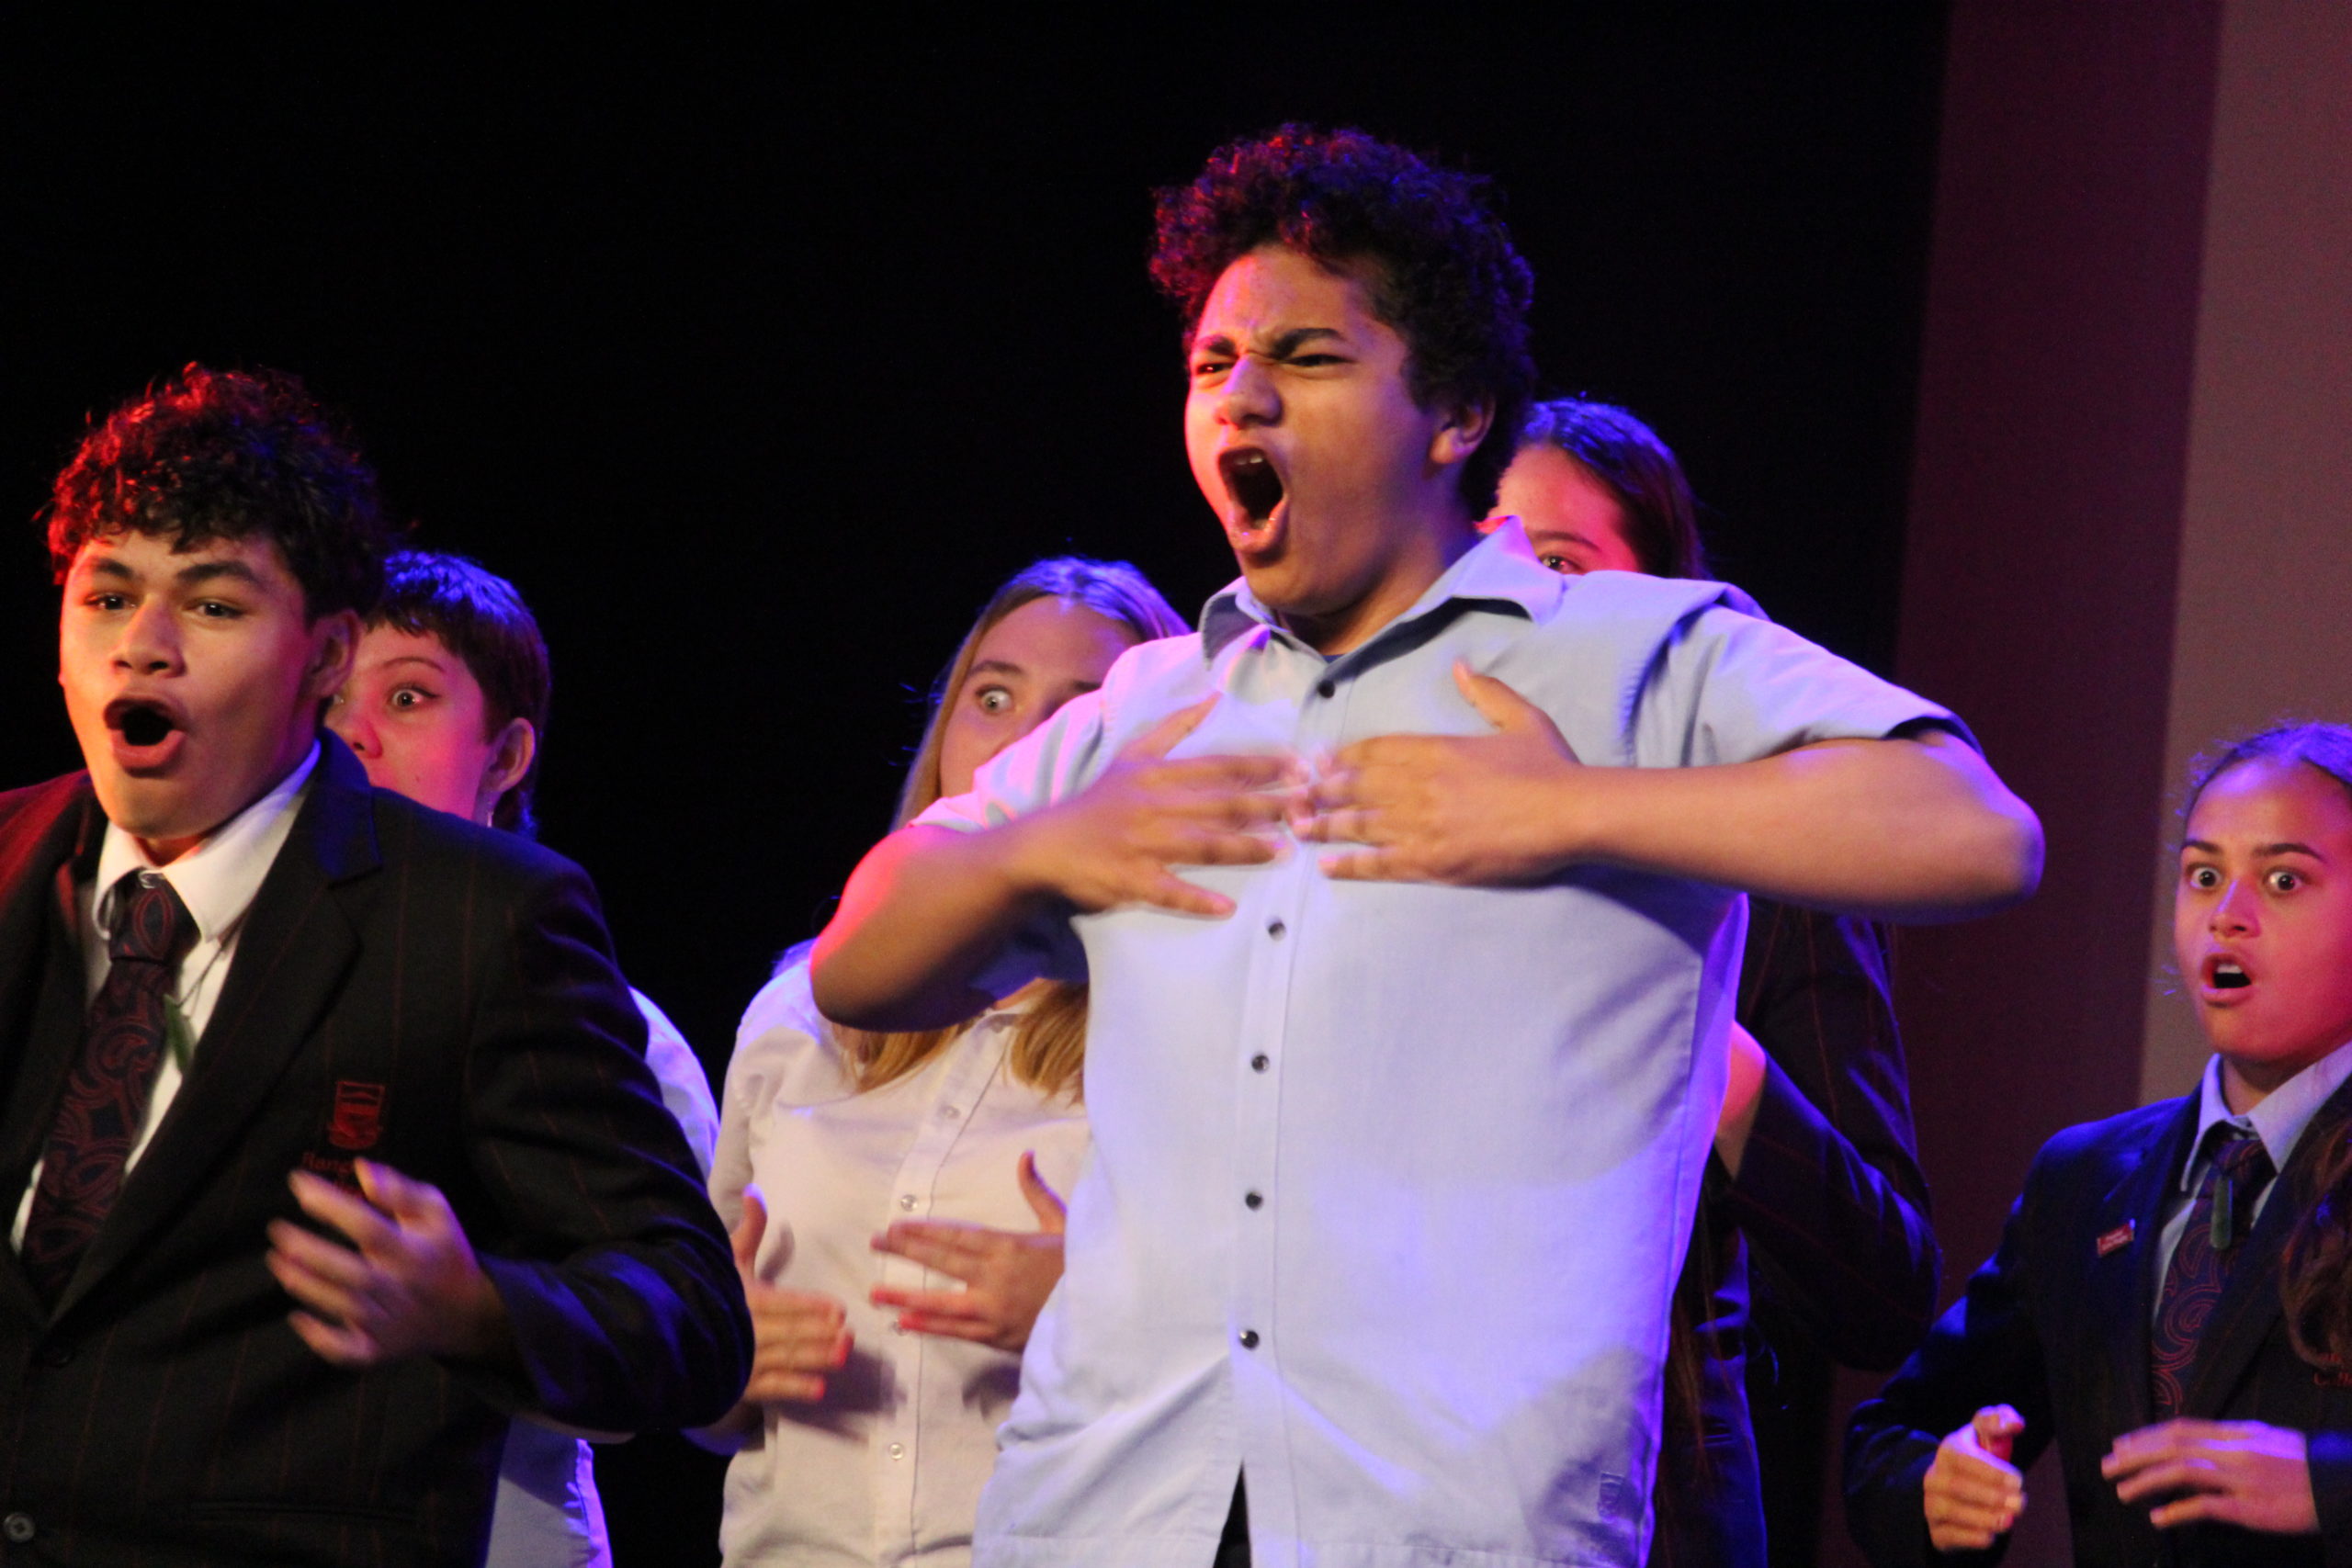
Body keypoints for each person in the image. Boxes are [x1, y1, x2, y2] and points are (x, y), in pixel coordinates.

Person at [811, 126, 2042, 1568]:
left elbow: (1980, 830)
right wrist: (1047, 848)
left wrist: (1568, 809)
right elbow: (858, 962)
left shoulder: (1634, 651)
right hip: (1107, 1510)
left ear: (1454, 414)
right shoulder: (1157, 703)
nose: (1244, 392)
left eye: (1311, 357)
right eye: (1214, 364)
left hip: (1445, 1524)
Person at [0, 366, 750, 1566]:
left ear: (323, 654)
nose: (142, 647)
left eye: (212, 606)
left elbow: (689, 1314)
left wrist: (478, 1302)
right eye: (107, 597)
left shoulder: (479, 918)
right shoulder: (10, 861)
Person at [1493, 398, 1939, 1567]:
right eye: (1481, 557)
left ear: (1662, 604)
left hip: (1653, 1503)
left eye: (1561, 563)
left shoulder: (1763, 863)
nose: (1517, 599)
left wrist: (1725, 1074)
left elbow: (1887, 1289)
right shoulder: (1383, 833)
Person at [701, 557, 1187, 1566]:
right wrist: (715, 1358)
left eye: (1084, 707)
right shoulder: (800, 1013)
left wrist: (1098, 1315)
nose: (1021, 739)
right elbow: (700, 1379)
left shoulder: (1189, 1026)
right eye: (992, 696)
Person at [1845, 722, 2352, 1566]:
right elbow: (1890, 1440)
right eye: (2203, 875)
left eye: (2283, 878)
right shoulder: (2085, 1180)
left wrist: (2327, 1487)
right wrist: (1941, 1482)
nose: (2228, 915)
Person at [325, 547, 723, 1568]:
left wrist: (472, 1299)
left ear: (504, 759)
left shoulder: (603, 1029)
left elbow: (655, 1370)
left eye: (408, 697)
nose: (352, 735)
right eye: (327, 695)